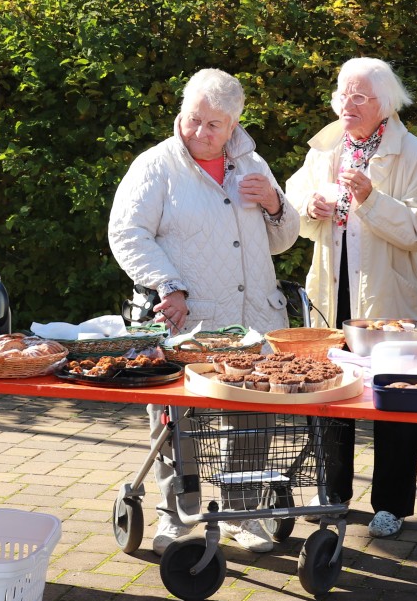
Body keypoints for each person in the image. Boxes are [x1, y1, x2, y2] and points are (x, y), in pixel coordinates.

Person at [108, 69, 299, 555]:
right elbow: (127, 234)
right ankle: (177, 514)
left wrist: (276, 203)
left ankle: (243, 514)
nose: (200, 132)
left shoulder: (252, 163)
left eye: (215, 125)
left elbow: (283, 240)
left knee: (252, 417)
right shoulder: (156, 166)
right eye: (194, 119)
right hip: (187, 320)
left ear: (234, 124)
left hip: (256, 316)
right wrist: (167, 285)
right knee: (177, 418)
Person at [284, 58, 417, 538]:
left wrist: (372, 199)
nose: (346, 105)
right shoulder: (325, 147)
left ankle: (392, 505)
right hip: (333, 290)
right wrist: (309, 207)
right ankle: (333, 495)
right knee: (330, 394)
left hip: (388, 297)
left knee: (394, 401)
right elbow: (291, 210)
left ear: (384, 104)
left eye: (359, 97)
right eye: (342, 94)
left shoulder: (414, 154)